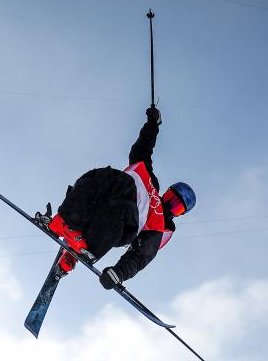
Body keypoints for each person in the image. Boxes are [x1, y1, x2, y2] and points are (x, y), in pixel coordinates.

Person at [47, 106, 196, 290]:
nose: (170, 206)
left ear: (178, 214)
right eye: (172, 198)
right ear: (167, 192)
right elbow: (142, 150)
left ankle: (80, 249)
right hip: (107, 198)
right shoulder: (150, 181)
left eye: (177, 208)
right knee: (99, 177)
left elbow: (141, 256)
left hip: (124, 223)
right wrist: (152, 125)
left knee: (121, 196)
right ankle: (65, 225)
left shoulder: (160, 226)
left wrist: (120, 273)